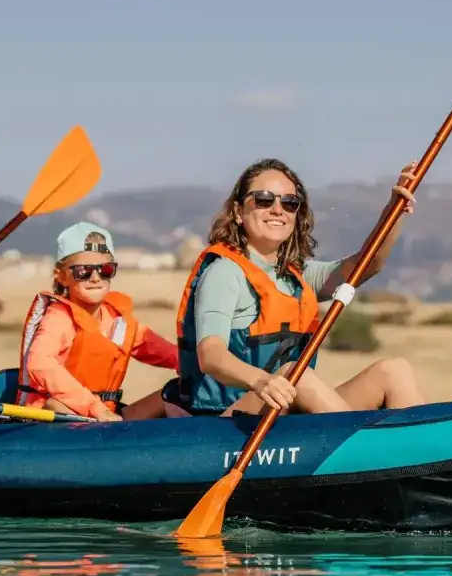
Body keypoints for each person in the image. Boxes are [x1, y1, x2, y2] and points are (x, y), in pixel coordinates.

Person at [168, 158, 427, 418]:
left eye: (289, 203)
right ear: (238, 212)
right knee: (296, 375)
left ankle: (428, 455)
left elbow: (366, 265)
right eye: (264, 200)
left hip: (283, 416)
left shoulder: (297, 275)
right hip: (224, 425)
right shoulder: (224, 272)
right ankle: (364, 451)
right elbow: (211, 356)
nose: (278, 209)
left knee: (394, 371)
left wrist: (395, 209)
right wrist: (261, 381)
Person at [13, 222, 179, 422]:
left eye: (105, 269)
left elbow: (171, 355)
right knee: (56, 404)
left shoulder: (121, 322)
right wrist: (95, 408)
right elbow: (39, 363)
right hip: (59, 418)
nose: (95, 278)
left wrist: (199, 365)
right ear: (62, 277)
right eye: (83, 271)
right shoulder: (59, 317)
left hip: (107, 417)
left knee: (178, 392)